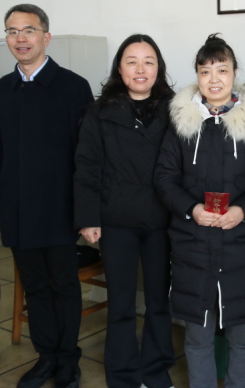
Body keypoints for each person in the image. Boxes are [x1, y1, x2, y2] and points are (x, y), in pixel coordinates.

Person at [154, 34, 245, 388]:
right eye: (205, 71)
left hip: (242, 245)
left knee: (243, 337)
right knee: (197, 337)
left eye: (222, 70)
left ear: (234, 73)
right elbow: (163, 178)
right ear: (197, 75)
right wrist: (191, 209)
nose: (214, 79)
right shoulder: (181, 122)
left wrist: (243, 211)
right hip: (192, 244)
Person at [0, 4, 93, 388]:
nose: (20, 39)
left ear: (46, 37)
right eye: (12, 31)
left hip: (59, 208)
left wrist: (85, 211)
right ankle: (46, 357)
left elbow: (87, 156)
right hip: (16, 207)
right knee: (35, 287)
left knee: (64, 285)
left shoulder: (73, 86)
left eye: (28, 30)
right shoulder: (1, 89)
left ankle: (68, 360)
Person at [74, 34, 176, 388]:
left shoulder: (176, 110)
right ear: (120, 68)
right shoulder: (100, 112)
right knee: (121, 304)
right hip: (116, 221)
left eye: (148, 61)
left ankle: (156, 371)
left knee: (159, 302)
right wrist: (88, 218)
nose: (140, 69)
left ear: (159, 68)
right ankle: (122, 376)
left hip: (162, 221)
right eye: (132, 61)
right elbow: (86, 167)